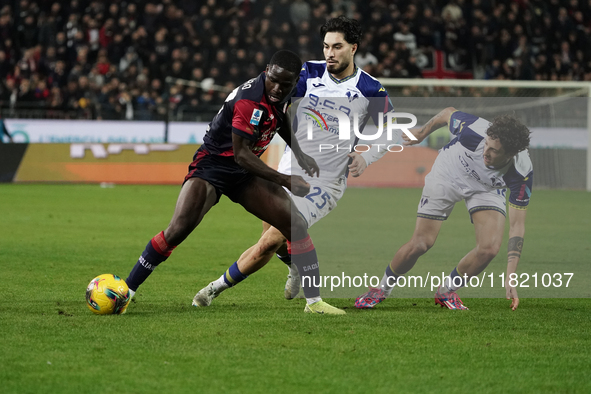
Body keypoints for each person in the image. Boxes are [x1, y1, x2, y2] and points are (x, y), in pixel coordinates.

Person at [192, 16, 394, 314]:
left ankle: (212, 290)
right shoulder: (308, 73)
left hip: (326, 181)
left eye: (337, 47)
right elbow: (272, 93)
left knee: (271, 239)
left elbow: (391, 131)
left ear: (353, 48)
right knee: (273, 235)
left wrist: (366, 156)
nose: (330, 53)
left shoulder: (371, 90)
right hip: (289, 166)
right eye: (325, 46)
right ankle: (295, 266)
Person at [123, 50, 341, 315]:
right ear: (266, 71)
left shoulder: (281, 95)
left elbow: (280, 119)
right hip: (213, 167)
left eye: (285, 84)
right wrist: (285, 179)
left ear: (294, 82)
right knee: (178, 229)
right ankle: (127, 290)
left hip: (244, 174)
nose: (277, 88)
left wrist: (300, 154)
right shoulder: (250, 100)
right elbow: (241, 154)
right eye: (273, 80)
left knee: (294, 225)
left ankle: (314, 302)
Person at [356, 107, 532, 311]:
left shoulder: (522, 172)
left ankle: (447, 291)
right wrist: (421, 133)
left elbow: (517, 227)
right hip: (448, 173)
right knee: (421, 243)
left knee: (489, 248)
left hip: (487, 188)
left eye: (494, 151)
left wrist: (510, 276)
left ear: (511, 154)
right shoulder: (474, 130)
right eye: (487, 145)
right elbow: (447, 113)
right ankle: (381, 289)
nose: (486, 152)